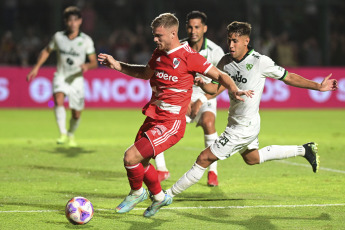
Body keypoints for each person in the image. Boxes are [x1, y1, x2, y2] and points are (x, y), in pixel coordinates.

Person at [162, 21, 338, 213]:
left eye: (235, 41)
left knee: (204, 158)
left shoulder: (260, 62)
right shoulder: (225, 62)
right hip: (237, 122)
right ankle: (305, 150)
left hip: (243, 127)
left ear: (247, 41)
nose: (230, 45)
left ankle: (168, 195)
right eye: (229, 40)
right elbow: (215, 88)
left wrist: (318, 86)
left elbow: (289, 77)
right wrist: (202, 83)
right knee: (252, 158)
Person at [97, 13, 253, 218]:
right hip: (153, 117)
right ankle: (160, 198)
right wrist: (118, 65)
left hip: (171, 123)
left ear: (172, 33)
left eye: (158, 35)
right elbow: (145, 73)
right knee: (141, 163)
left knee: (130, 157)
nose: (155, 39)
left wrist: (234, 90)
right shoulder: (159, 54)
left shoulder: (189, 57)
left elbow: (221, 75)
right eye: (154, 35)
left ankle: (137, 193)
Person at [154, 11, 225, 186]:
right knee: (159, 126)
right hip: (181, 97)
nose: (193, 31)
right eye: (190, 27)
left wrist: (201, 100)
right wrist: (184, 100)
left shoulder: (216, 51)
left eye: (197, 27)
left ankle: (213, 172)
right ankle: (162, 169)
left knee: (209, 123)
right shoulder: (178, 48)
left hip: (206, 96)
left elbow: (222, 82)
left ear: (205, 28)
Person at [26, 6, 98, 147]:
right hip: (61, 76)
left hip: (76, 79)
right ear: (66, 21)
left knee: (76, 114)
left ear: (80, 21)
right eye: (70, 20)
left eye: (75, 20)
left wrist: (87, 66)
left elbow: (94, 62)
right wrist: (36, 68)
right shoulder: (58, 37)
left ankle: (71, 134)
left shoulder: (86, 40)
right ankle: (63, 134)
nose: (73, 23)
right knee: (58, 100)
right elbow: (46, 51)